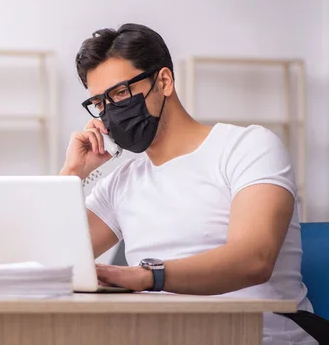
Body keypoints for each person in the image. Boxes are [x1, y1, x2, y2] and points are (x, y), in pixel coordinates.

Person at [60, 23, 316, 345]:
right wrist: (74, 171)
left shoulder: (247, 147)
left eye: (121, 93)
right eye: (99, 103)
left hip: (259, 337)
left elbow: (254, 259)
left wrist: (145, 277)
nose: (110, 111)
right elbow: (53, 256)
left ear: (163, 81)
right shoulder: (121, 183)